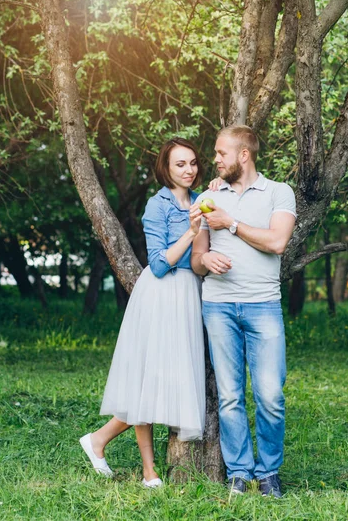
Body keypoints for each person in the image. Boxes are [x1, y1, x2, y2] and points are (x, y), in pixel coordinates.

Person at [80, 138, 205, 488]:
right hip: (162, 293)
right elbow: (159, 264)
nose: (189, 170)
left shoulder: (201, 201)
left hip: (189, 295)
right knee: (149, 380)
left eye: (193, 163)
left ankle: (99, 440)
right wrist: (192, 233)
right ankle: (148, 469)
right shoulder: (157, 205)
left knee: (168, 380)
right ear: (166, 167)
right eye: (180, 164)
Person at [191, 126, 296, 498]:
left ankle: (268, 473)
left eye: (221, 153)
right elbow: (197, 260)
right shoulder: (208, 196)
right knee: (231, 396)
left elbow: (278, 242)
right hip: (217, 307)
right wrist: (206, 256)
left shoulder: (279, 192)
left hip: (263, 305)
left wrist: (230, 224)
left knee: (270, 395)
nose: (215, 159)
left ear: (244, 155)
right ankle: (239, 471)